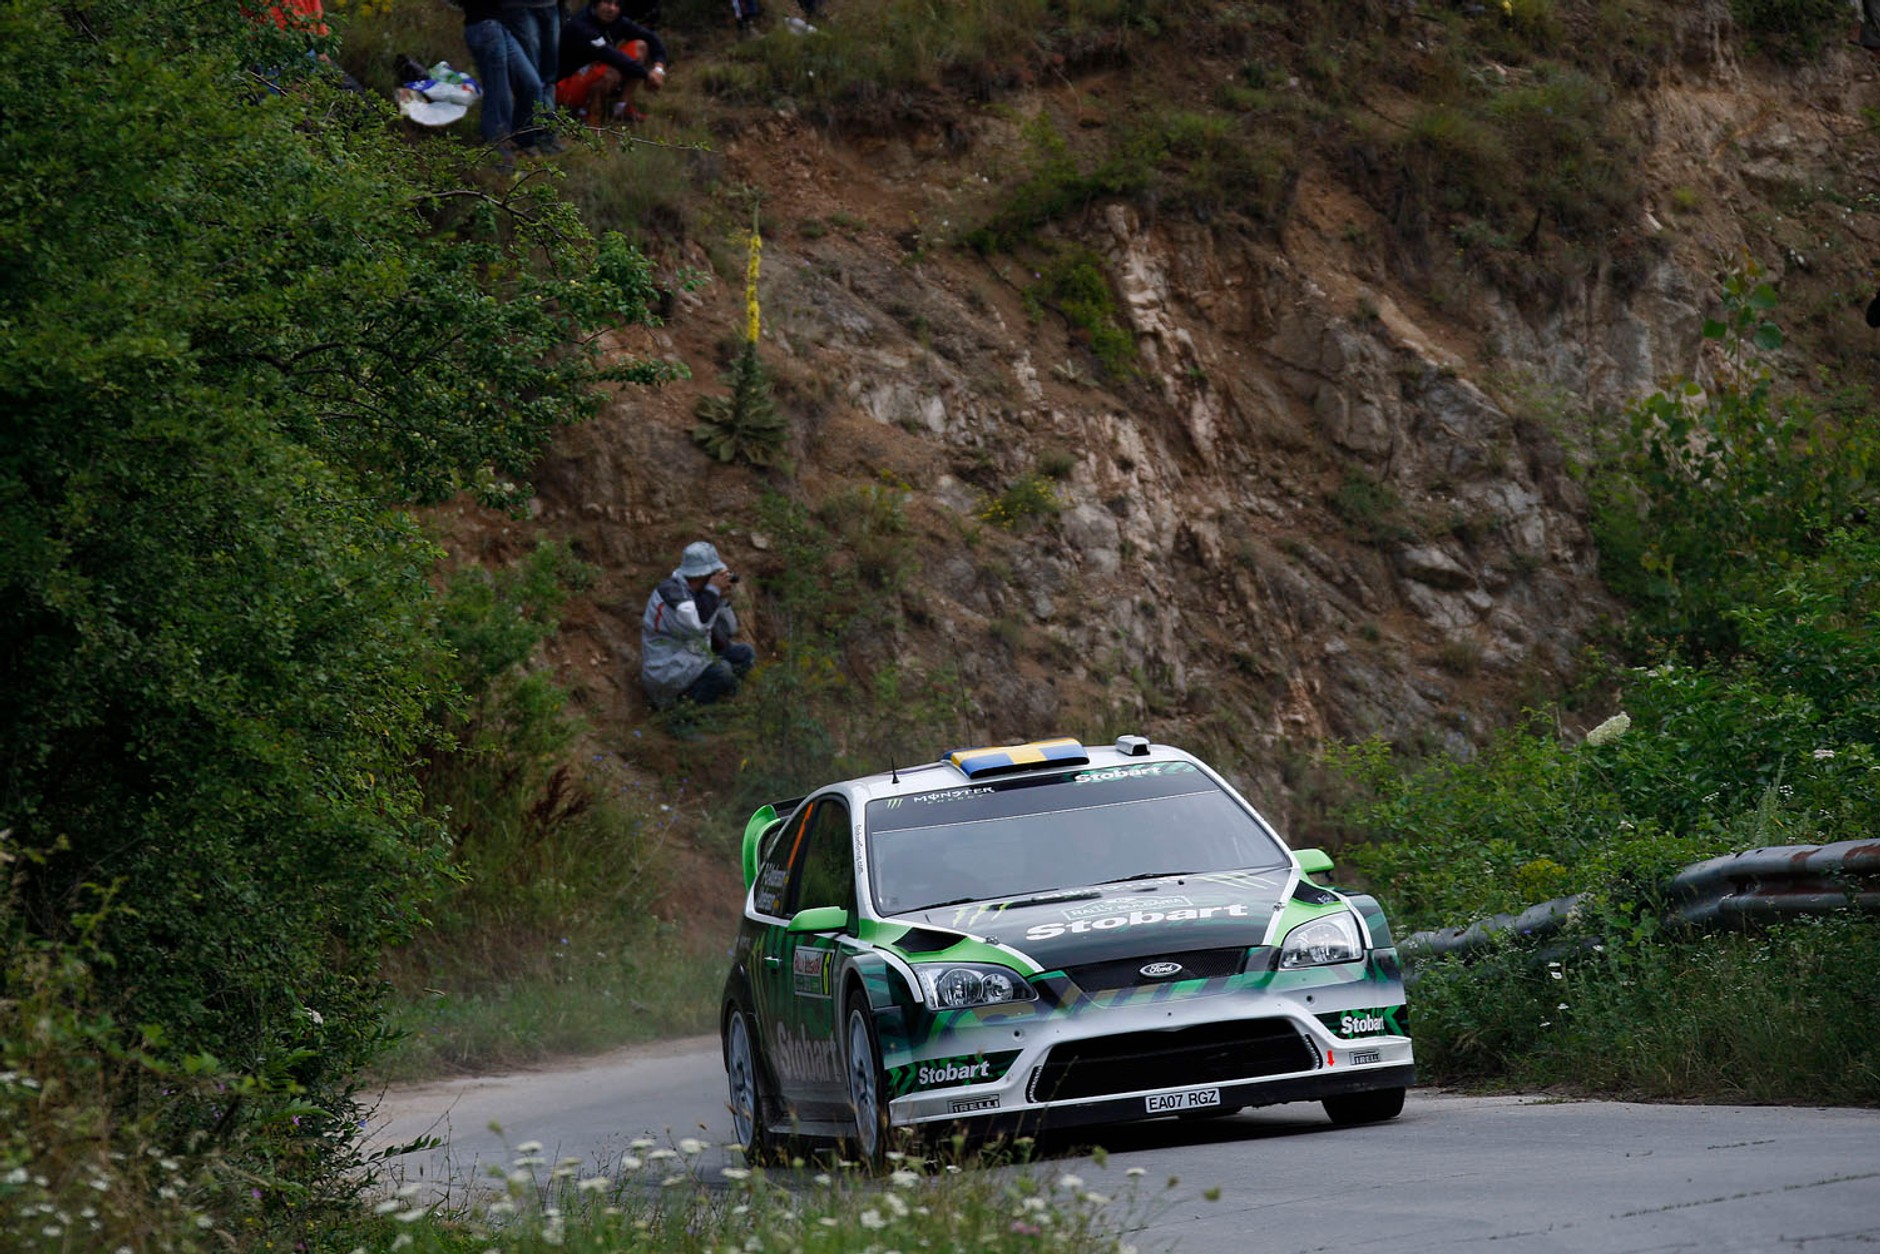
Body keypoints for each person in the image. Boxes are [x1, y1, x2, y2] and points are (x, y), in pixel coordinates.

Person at [641, 541, 755, 709]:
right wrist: (712, 591)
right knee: (721, 671)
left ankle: (720, 706)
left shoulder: (699, 594)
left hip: (692, 659)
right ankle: (680, 716)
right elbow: (695, 624)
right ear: (703, 575)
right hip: (667, 670)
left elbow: (729, 632)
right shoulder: (672, 593)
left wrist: (720, 598)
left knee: (743, 654)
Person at [556, 0, 669, 125]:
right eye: (607, 2)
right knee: (610, 73)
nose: (612, 9)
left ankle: (622, 107)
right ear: (595, 3)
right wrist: (647, 75)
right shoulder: (581, 25)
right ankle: (588, 116)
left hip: (593, 72)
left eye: (616, 4)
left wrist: (658, 69)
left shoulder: (617, 20)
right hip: (567, 86)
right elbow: (611, 56)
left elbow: (651, 37)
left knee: (640, 46)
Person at [460, 0, 546, 156]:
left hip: (500, 26)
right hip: (483, 27)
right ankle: (500, 159)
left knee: (531, 86)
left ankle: (523, 143)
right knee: (499, 98)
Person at [501, 0, 562, 151]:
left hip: (551, 6)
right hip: (520, 8)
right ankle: (526, 137)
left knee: (549, 76)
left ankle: (546, 133)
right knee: (531, 79)